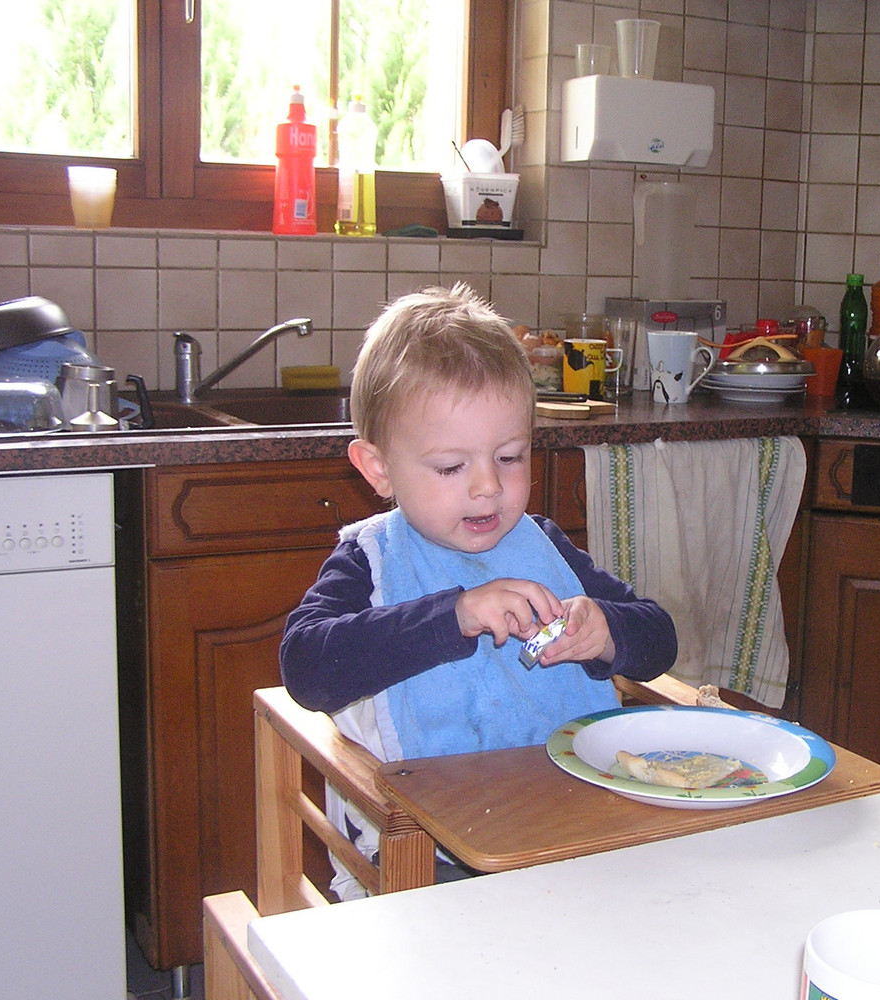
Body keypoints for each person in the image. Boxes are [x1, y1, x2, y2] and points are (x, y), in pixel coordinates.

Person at [280, 286, 677, 891]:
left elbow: (660, 640)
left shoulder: (542, 545)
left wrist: (606, 631)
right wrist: (454, 616)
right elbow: (306, 667)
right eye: (451, 467)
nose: (488, 486)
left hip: (576, 825)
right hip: (430, 849)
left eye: (510, 457)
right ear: (379, 469)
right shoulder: (371, 559)